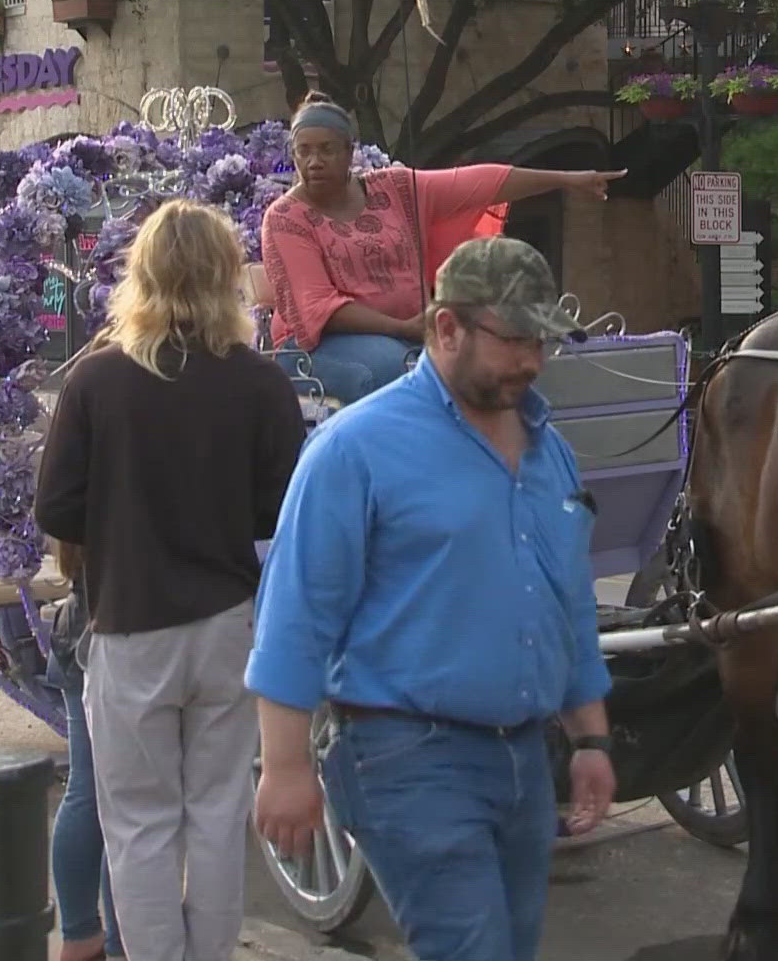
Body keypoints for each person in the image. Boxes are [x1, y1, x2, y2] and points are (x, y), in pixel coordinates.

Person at [248, 235, 617, 961]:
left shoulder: (550, 450)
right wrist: (285, 768)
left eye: (542, 342)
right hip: (407, 758)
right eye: (514, 340)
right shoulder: (355, 449)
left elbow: (566, 603)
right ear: (445, 328)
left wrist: (592, 740)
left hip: (523, 760)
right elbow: (295, 617)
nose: (532, 362)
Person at [36, 199, 307, 961]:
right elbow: (280, 508)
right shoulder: (261, 385)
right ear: (228, 278)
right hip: (227, 625)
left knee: (140, 824)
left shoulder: (98, 381)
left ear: (141, 274)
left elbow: (56, 504)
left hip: (131, 624)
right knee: (218, 816)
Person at [260, 92, 625, 403]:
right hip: (320, 346)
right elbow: (319, 308)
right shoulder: (286, 218)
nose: (314, 161)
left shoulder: (396, 188)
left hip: (413, 329)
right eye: (303, 151)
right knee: (399, 368)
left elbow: (479, 182)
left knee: (493, 357)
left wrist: (566, 180)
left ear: (349, 150)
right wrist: (404, 328)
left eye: (326, 150)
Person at [44, 543, 123, 961]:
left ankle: (81, 935)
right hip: (114, 623)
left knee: (89, 788)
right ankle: (117, 944)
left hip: (82, 616)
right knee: (126, 800)